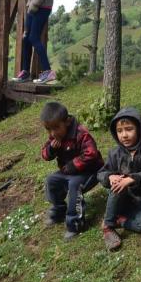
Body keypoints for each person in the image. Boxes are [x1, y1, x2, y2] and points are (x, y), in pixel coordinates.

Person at [40, 101, 104, 240]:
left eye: (56, 128)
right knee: (51, 180)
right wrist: (52, 149)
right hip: (68, 172)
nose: (53, 133)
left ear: (67, 122)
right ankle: (59, 210)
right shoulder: (55, 136)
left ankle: (75, 223)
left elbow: (91, 153)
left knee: (75, 185)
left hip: (90, 171)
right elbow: (44, 154)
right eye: (49, 129)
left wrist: (73, 165)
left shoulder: (81, 133)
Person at [98, 107, 141, 251]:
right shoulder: (114, 154)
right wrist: (110, 176)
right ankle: (108, 226)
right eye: (120, 131)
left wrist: (132, 179)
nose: (124, 135)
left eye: (129, 129)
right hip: (121, 199)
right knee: (118, 183)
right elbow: (101, 173)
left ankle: (120, 220)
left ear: (139, 129)